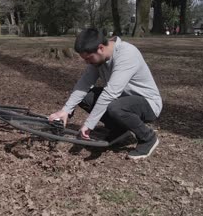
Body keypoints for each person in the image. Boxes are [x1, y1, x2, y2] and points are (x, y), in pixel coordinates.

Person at [48, 28, 162, 159]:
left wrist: (89, 125)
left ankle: (148, 138)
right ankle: (119, 130)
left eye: (89, 58)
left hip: (148, 103)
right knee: (85, 97)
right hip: (121, 100)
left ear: (101, 48)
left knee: (116, 107)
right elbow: (84, 84)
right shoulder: (99, 58)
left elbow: (110, 93)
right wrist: (66, 110)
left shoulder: (127, 54)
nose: (87, 62)